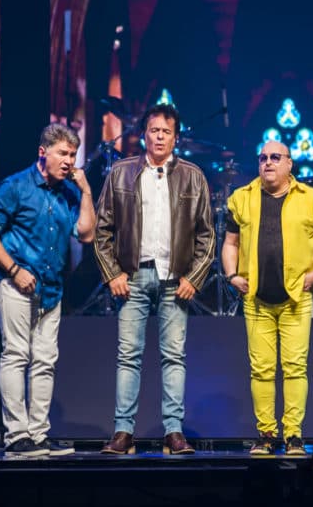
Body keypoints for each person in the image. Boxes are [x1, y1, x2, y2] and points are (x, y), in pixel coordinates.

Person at [94, 103, 214, 455]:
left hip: (175, 278)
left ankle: (173, 432)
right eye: (154, 130)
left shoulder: (193, 175)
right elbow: (102, 229)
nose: (159, 137)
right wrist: (112, 273)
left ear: (176, 137)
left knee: (173, 356)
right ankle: (123, 432)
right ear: (143, 134)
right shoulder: (121, 172)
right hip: (133, 276)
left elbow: (208, 234)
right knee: (128, 355)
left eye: (166, 131)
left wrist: (194, 276)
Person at [0, 123, 96, 457]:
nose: (69, 161)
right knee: (16, 355)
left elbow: (85, 234)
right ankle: (17, 436)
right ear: (43, 152)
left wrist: (86, 191)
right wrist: (14, 270)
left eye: (73, 154)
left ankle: (38, 435)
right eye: (63, 153)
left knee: (45, 361)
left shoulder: (70, 192)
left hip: (52, 288)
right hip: (15, 284)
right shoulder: (15, 186)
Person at [221, 140, 313, 455]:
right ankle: (266, 435)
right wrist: (233, 274)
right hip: (257, 299)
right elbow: (230, 242)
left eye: (276, 157)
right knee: (260, 369)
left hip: (295, 299)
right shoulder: (241, 199)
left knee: (294, 367)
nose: (268, 163)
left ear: (290, 164)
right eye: (263, 158)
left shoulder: (312, 199)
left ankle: (293, 437)